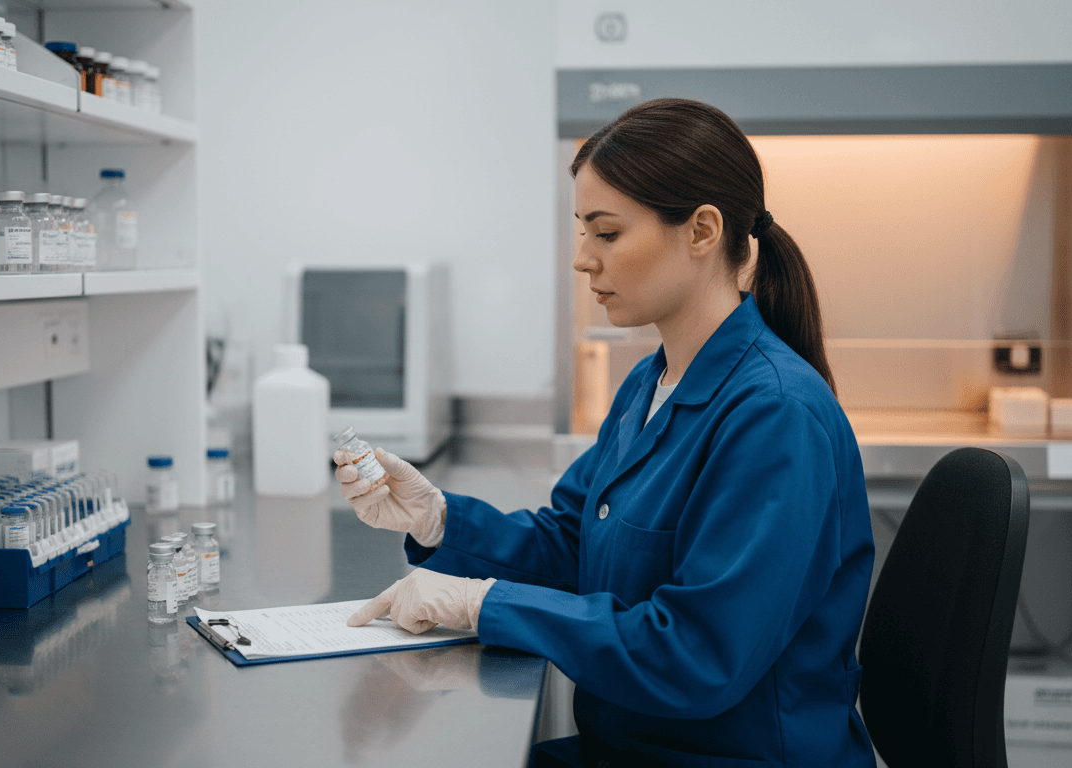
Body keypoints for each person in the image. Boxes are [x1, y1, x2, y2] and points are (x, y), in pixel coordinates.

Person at [336, 98, 876, 767]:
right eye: (581, 231)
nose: (582, 260)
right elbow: (573, 547)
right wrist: (441, 522)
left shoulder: (775, 415)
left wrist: (485, 604)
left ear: (702, 230)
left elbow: (698, 655)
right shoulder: (650, 386)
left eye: (608, 233)